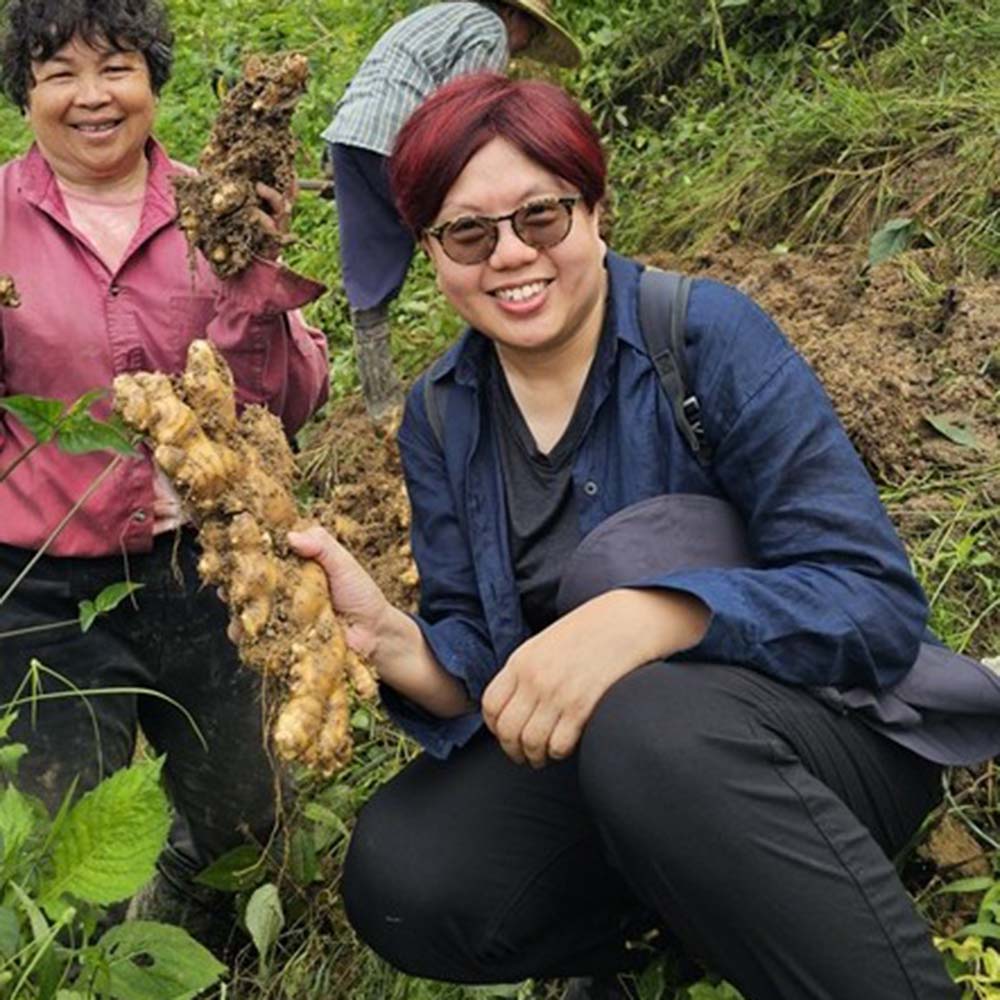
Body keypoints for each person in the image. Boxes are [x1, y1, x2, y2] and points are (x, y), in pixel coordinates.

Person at [291, 71, 1000, 999]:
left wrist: (655, 616)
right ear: (431, 250)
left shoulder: (705, 336)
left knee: (643, 717)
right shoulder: (443, 412)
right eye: (468, 232)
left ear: (595, 211)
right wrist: (391, 640)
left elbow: (870, 602)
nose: (509, 256)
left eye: (541, 217)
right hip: (629, 768)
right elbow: (479, 652)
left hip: (823, 738)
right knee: (405, 872)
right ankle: (681, 920)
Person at [0, 0, 329, 956]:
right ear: (26, 91)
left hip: (212, 573)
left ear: (153, 80)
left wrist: (254, 272)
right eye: (59, 71)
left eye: (117, 67)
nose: (91, 96)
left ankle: (192, 948)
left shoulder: (217, 204)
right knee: (67, 859)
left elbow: (289, 405)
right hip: (44, 592)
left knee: (245, 821)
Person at [320, 0, 581, 424]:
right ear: (516, 17)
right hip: (398, 137)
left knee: (368, 279)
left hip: (350, 136)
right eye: (529, 36)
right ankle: (504, 373)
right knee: (476, 241)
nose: (520, 48)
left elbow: (371, 81)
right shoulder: (488, 27)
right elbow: (465, 118)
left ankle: (382, 408)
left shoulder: (434, 19)